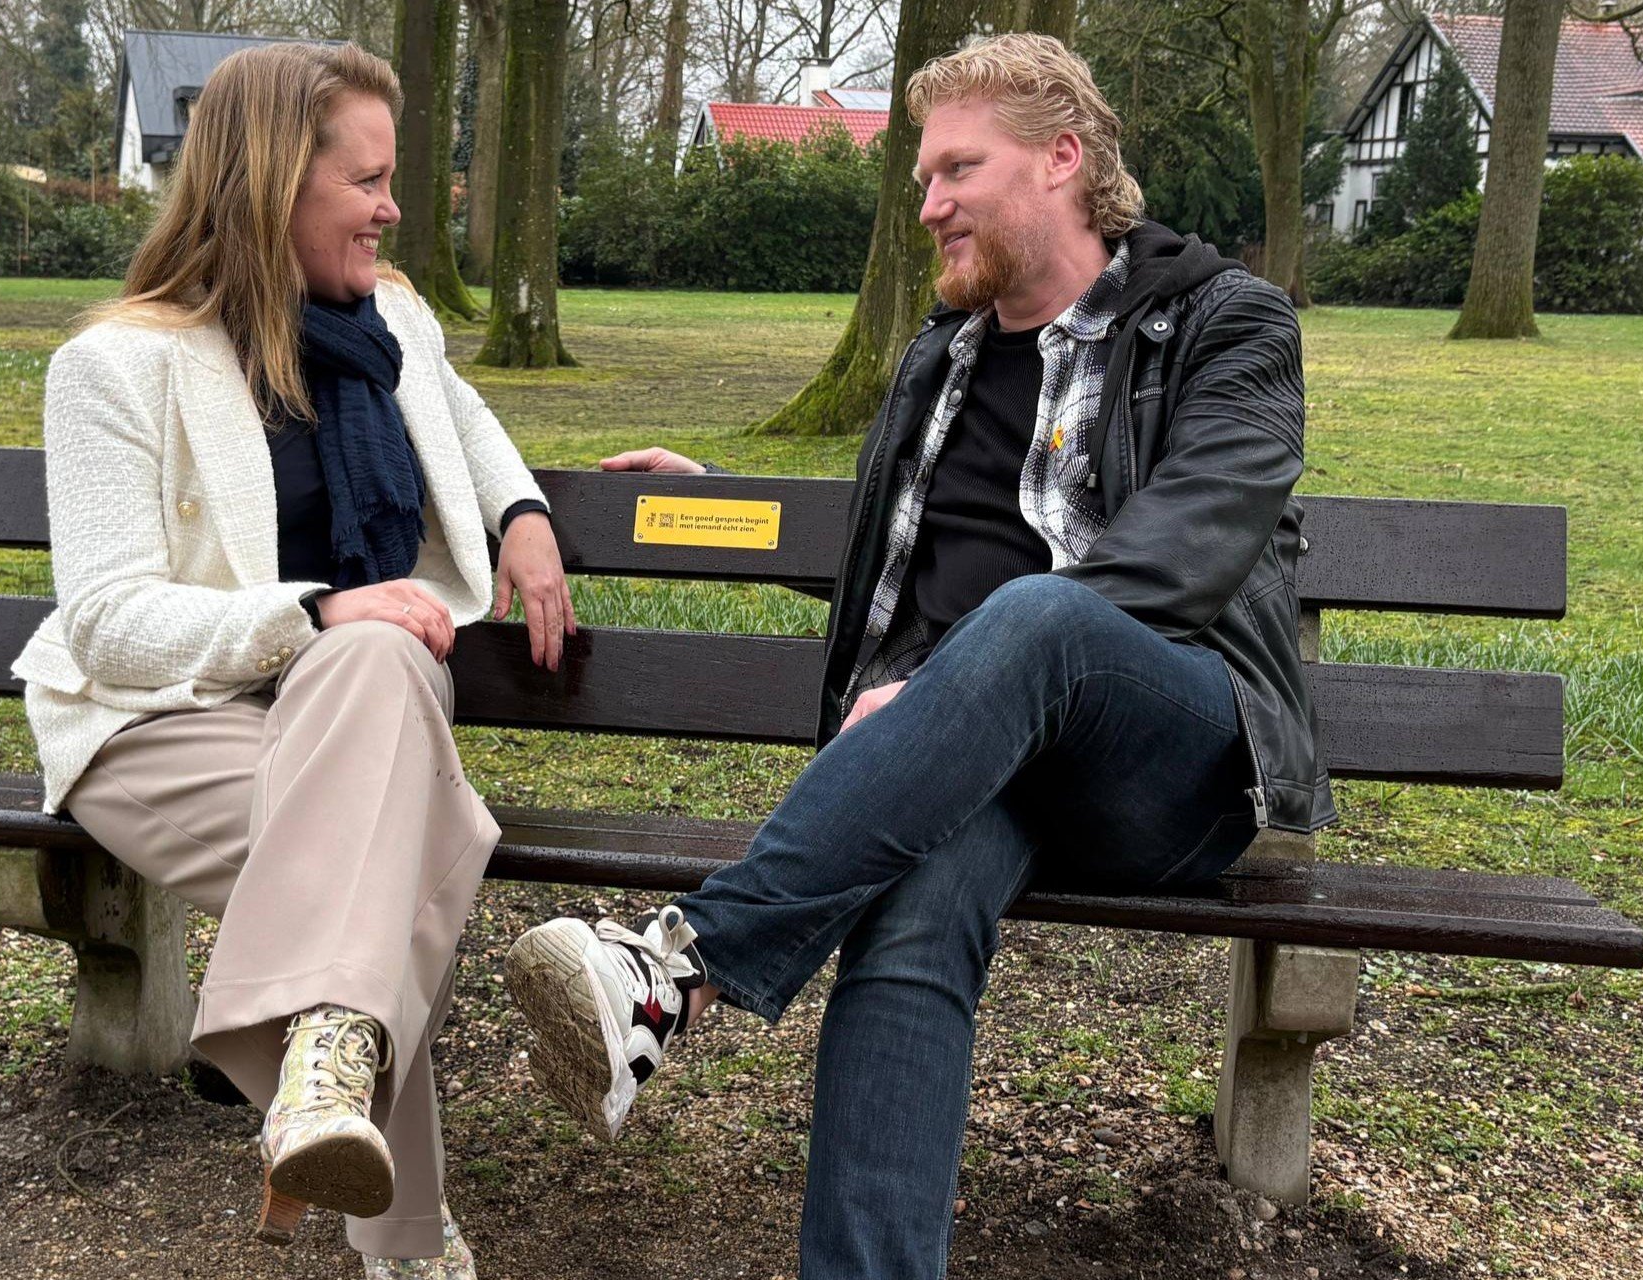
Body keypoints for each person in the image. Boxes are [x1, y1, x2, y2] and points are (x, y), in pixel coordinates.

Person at [502, 33, 1331, 1279]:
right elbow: (890, 544)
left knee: (1037, 621)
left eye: (955, 168)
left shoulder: (1223, 325)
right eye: (922, 176)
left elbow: (1193, 545)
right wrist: (717, 501)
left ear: (1061, 160)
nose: (926, 202)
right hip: (969, 760)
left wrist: (952, 676)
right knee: (913, 911)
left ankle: (679, 966)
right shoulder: (939, 358)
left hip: (1163, 753)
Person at [11, 42, 573, 1280]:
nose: (392, 208)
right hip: (160, 722)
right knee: (389, 847)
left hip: (354, 710)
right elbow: (104, 620)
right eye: (366, 183)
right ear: (270, 183)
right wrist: (312, 612)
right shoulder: (116, 365)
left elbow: (462, 415)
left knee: (366, 763)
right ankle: (411, 1247)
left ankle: (320, 1078)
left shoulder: (394, 321)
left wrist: (520, 512)